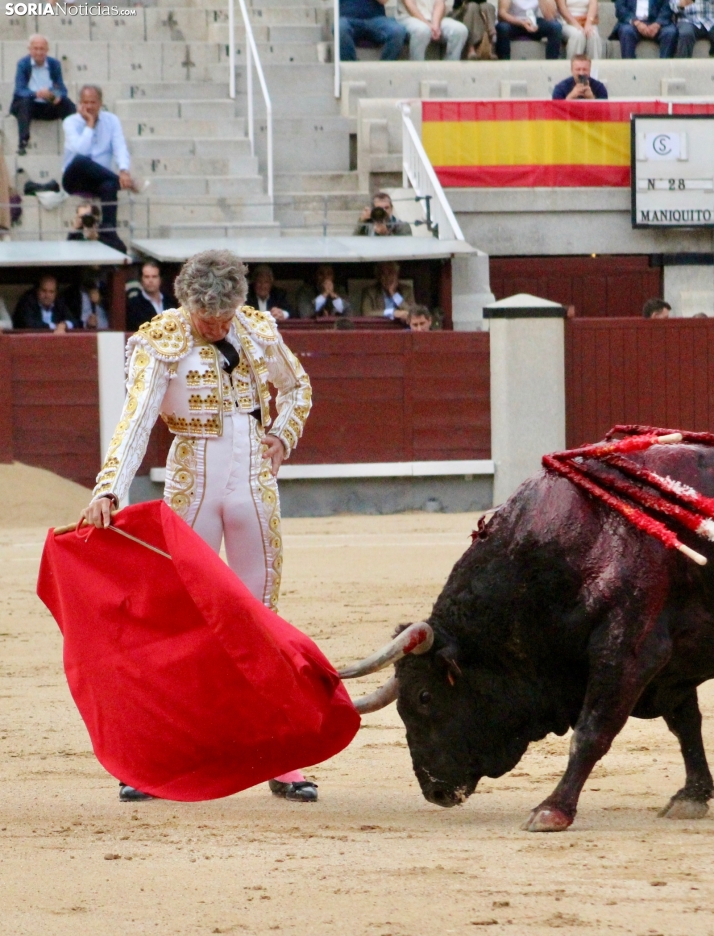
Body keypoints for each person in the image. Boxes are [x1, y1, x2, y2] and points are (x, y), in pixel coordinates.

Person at [80, 250, 316, 804]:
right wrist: (110, 487)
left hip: (255, 482)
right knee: (178, 621)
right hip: (193, 482)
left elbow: (299, 386)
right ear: (184, 302)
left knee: (261, 617)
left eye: (225, 315)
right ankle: (155, 760)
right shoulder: (161, 339)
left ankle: (282, 757)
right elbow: (134, 421)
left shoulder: (256, 328)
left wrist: (283, 433)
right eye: (206, 317)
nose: (215, 326)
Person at [62, 85, 143, 253]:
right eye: (85, 102)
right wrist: (90, 125)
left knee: (109, 185)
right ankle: (127, 183)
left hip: (99, 178)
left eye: (93, 102)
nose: (89, 107)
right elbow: (81, 150)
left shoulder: (111, 120)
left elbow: (120, 146)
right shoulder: (70, 122)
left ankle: (109, 232)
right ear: (80, 103)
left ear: (100, 103)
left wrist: (124, 170)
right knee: (81, 160)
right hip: (74, 178)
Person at [10, 34, 76, 157]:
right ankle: (23, 142)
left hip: (48, 103)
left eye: (42, 49)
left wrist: (54, 95)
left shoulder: (54, 64)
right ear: (30, 49)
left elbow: (62, 89)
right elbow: (19, 90)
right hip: (29, 103)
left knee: (67, 103)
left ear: (47, 50)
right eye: (35, 48)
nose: (39, 52)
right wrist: (36, 94)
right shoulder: (23, 64)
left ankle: (76, 137)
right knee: (25, 102)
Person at [396, 0, 469, 59]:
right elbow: (409, 4)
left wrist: (435, 25)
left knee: (460, 30)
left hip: (434, 18)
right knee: (422, 30)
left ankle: (449, 70)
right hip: (409, 17)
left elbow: (439, 3)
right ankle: (417, 70)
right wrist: (427, 24)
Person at [339, 0, 408, 61]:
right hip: (348, 19)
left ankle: (384, 69)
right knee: (339, 27)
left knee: (397, 31)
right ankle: (350, 69)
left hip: (376, 19)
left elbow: (384, 1)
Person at [495, 0, 563, 59]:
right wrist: (522, 23)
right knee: (502, 28)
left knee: (556, 27)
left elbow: (550, 17)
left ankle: (551, 62)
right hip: (513, 22)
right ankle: (504, 61)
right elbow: (502, 13)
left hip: (533, 21)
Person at [610, 0, 677, 57]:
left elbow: (668, 6)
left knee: (670, 32)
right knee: (626, 31)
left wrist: (657, 24)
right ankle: (629, 68)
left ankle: (665, 68)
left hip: (657, 21)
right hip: (633, 23)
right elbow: (620, 8)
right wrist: (637, 23)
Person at [126, 261, 176, 332]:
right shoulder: (134, 304)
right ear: (141, 279)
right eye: (147, 277)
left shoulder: (170, 301)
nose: (150, 280)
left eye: (154, 276)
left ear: (160, 279)